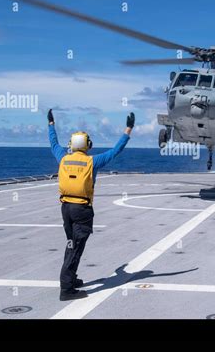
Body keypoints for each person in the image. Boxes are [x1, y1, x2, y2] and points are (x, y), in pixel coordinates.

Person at [47, 109, 135, 301]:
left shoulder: (62, 157)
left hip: (66, 209)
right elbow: (115, 151)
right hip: (82, 211)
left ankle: (71, 278)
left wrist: (51, 125)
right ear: (87, 145)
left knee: (71, 243)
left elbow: (53, 142)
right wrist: (128, 129)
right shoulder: (92, 162)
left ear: (71, 145)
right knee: (75, 247)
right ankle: (66, 289)